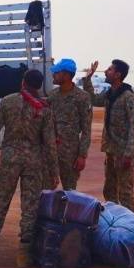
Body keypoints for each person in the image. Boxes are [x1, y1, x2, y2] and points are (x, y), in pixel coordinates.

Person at [0, 70, 59, 268]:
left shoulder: (8, 101)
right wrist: (54, 171)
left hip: (9, 159)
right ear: (39, 86)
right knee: (30, 206)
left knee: (0, 203)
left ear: (23, 82)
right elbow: (50, 143)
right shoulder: (44, 108)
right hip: (33, 161)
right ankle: (23, 255)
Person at [83, 59, 134, 212]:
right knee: (109, 190)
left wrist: (129, 154)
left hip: (123, 152)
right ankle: (114, 218)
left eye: (110, 70)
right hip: (111, 150)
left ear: (118, 75)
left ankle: (130, 222)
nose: (106, 72)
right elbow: (93, 99)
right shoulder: (110, 94)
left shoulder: (128, 97)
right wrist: (88, 78)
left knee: (125, 192)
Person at [47, 58, 92, 190]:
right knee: (47, 189)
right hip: (50, 151)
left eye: (57, 72)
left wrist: (82, 155)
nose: (53, 75)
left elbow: (86, 130)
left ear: (66, 75)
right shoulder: (52, 96)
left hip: (70, 153)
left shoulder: (82, 97)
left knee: (70, 191)